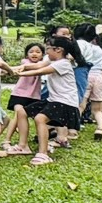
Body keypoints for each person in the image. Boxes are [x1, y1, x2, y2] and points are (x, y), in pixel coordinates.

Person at [17, 37, 85, 166]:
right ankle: (23, 146)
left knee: (40, 119)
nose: (46, 52)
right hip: (53, 99)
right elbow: (36, 66)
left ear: (58, 50)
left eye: (48, 48)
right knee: (22, 112)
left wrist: (17, 73)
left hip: (65, 102)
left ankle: (43, 154)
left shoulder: (63, 63)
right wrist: (14, 68)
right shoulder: (53, 60)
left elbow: (39, 71)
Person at [0, 43, 46, 155]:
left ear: (42, 55)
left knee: (34, 118)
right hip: (20, 94)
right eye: (31, 52)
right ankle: (7, 140)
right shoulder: (24, 62)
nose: (34, 54)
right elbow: (31, 66)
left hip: (34, 96)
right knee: (18, 115)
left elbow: (41, 66)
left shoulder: (42, 64)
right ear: (26, 55)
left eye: (38, 52)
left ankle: (36, 142)